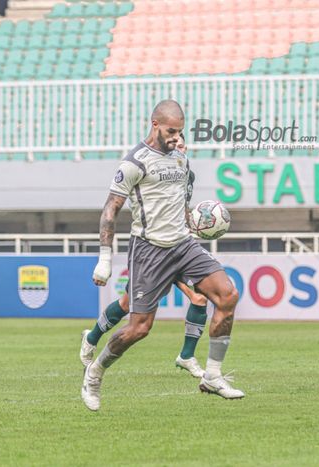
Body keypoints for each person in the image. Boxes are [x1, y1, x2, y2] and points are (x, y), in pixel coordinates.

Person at [81, 99, 243, 411]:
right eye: (171, 131)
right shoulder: (134, 162)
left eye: (180, 131)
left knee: (228, 295)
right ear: (155, 124)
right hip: (149, 249)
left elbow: (177, 201)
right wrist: (104, 257)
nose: (176, 137)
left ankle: (212, 375)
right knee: (139, 328)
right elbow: (110, 209)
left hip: (183, 245)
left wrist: (193, 221)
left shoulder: (181, 159)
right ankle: (95, 372)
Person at [80, 134, 209, 378]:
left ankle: (187, 356)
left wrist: (194, 224)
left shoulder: (186, 173)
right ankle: (92, 337)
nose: (179, 146)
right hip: (151, 250)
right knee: (127, 304)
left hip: (178, 246)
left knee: (200, 298)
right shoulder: (144, 165)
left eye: (183, 143)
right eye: (176, 142)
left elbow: (180, 208)